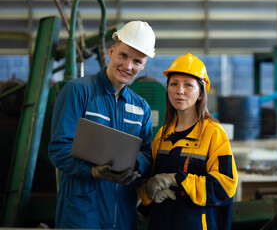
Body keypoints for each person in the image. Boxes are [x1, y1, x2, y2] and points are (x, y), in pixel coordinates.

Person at [48, 20, 156, 229]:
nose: (128, 66)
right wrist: (92, 171)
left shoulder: (141, 107)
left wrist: (135, 165)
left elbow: (147, 153)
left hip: (123, 215)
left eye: (137, 61)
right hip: (82, 215)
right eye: (123, 55)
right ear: (112, 51)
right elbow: (58, 149)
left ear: (144, 65)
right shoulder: (78, 91)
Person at [139, 53, 238, 230]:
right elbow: (148, 179)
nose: (180, 90)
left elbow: (224, 186)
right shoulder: (163, 134)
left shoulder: (213, 133)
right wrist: (151, 189)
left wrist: (176, 179)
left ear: (201, 93)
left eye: (188, 85)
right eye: (174, 83)